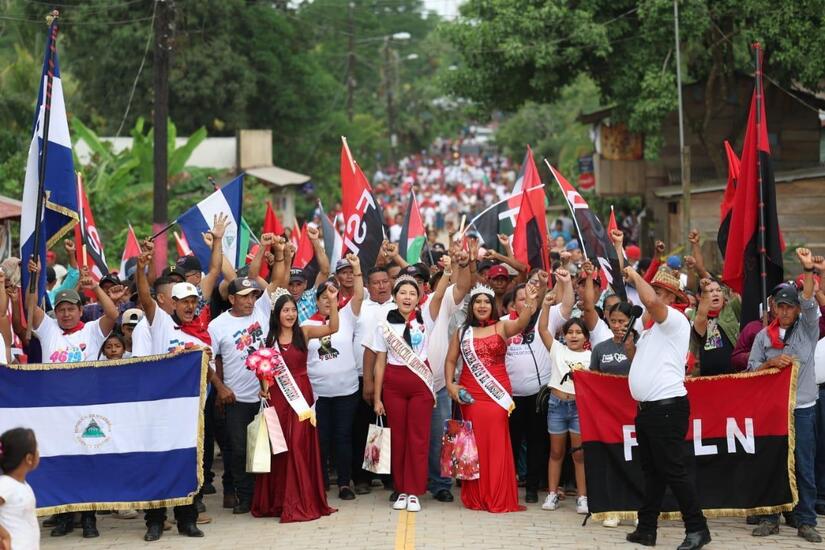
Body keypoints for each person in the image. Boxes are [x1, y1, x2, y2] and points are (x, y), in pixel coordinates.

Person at [622, 266, 711, 550]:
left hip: (666, 408)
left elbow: (650, 302)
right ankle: (647, 529)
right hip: (649, 409)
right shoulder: (651, 332)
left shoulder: (675, 320)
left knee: (673, 470)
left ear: (672, 299)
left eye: (660, 292)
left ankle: (697, 529)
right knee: (653, 472)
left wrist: (637, 277)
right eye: (654, 290)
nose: (653, 297)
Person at [747, 249, 824, 543]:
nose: (785, 311)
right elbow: (751, 370)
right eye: (780, 306)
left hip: (803, 408)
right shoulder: (763, 337)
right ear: (773, 307)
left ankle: (806, 520)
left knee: (804, 464)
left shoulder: (807, 329)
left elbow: (808, 300)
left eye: (790, 307)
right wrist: (769, 364)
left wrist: (807, 270)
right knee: (773, 462)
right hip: (773, 410)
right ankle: (770, 517)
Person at [444, 281, 539, 512]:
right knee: (473, 445)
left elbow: (522, 322)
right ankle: (476, 496)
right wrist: (450, 385)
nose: (483, 305)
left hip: (496, 394)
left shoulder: (502, 327)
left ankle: (496, 493)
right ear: (472, 306)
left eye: (487, 301)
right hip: (470, 394)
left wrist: (529, 302)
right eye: (478, 301)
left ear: (493, 305)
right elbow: (450, 360)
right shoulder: (462, 332)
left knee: (495, 443)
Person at [251, 286, 338, 523]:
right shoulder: (268, 340)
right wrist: (263, 387)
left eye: (293, 310)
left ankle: (300, 499)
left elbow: (333, 328)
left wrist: (332, 301)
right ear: (276, 313)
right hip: (277, 396)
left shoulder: (305, 331)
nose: (290, 314)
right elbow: (263, 370)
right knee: (281, 446)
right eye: (285, 310)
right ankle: (279, 501)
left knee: (299, 444)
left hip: (301, 393)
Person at [503, 270, 574, 504]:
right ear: (512, 304)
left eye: (530, 296)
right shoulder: (504, 324)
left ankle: (533, 487)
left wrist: (563, 282)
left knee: (537, 443)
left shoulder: (547, 317)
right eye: (521, 298)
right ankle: (508, 485)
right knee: (511, 443)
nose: (527, 301)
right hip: (510, 397)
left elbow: (566, 304)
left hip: (538, 395)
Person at [208, 275, 272, 515]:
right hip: (237, 398)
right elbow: (209, 358)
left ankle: (266, 495)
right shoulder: (217, 325)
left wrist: (281, 255)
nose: (250, 301)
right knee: (240, 450)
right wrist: (220, 387)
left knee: (268, 447)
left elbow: (277, 280)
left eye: (253, 296)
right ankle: (245, 497)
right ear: (231, 298)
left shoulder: (262, 312)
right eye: (244, 297)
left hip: (267, 395)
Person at [371, 275, 436, 513]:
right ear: (395, 296)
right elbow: (379, 361)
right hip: (394, 385)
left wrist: (449, 271)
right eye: (403, 293)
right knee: (398, 439)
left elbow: (445, 293)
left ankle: (415, 491)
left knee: (418, 438)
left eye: (412, 293)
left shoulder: (426, 317)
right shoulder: (384, 323)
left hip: (420, 385)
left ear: (418, 298)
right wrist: (377, 398)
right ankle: (401, 488)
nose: (407, 297)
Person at [303, 254, 364, 500]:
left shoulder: (347, 315)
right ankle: (320, 483)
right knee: (321, 439)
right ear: (316, 301)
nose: (328, 301)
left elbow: (358, 294)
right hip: (318, 394)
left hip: (347, 391)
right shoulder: (305, 324)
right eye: (324, 297)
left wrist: (357, 268)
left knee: (343, 437)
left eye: (333, 296)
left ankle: (344, 482)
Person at [537, 297, 592, 516]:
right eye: (570, 332)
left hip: (580, 408)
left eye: (579, 332)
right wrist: (546, 305)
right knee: (556, 452)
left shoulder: (591, 356)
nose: (574, 336)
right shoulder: (557, 350)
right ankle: (552, 493)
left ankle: (582, 497)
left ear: (586, 337)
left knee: (579, 455)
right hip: (557, 406)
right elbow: (542, 329)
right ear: (564, 335)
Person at [353, 266, 396, 494]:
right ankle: (362, 477)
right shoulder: (360, 307)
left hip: (391, 378)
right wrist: (368, 381)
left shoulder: (399, 306)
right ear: (368, 286)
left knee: (388, 428)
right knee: (363, 428)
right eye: (375, 282)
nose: (381, 286)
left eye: (384, 281)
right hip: (361, 377)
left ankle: (388, 475)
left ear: (391, 282)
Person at [690, 279, 740, 376]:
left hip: (736, 375)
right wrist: (705, 291)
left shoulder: (732, 308)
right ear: (700, 297)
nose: (715, 294)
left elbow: (744, 291)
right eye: (711, 291)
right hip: (706, 380)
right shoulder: (695, 316)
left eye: (718, 290)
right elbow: (701, 316)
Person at [0, 428, 39, 550]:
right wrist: (4, 536)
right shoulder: (5, 485)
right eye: (36, 449)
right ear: (29, 458)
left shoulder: (22, 485)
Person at [590, 301, 637, 376]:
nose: (616, 325)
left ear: (632, 321)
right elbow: (593, 377)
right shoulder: (599, 348)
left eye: (621, 321)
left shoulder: (641, 344)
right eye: (613, 321)